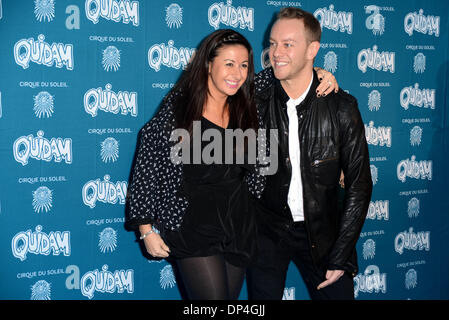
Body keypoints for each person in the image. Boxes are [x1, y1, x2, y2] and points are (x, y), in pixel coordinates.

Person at [126, 29, 338, 300]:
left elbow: (287, 71)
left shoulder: (247, 101)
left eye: (244, 65)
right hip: (193, 224)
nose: (237, 73)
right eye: (228, 64)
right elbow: (149, 159)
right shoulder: (181, 106)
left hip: (238, 223)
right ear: (208, 65)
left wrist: (320, 71)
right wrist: (146, 230)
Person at [247, 7, 373, 300]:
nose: (276, 52)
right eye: (274, 43)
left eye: (288, 44)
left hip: (322, 232)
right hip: (266, 229)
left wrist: (341, 254)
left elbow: (359, 185)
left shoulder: (342, 107)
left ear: (312, 49)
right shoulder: (256, 97)